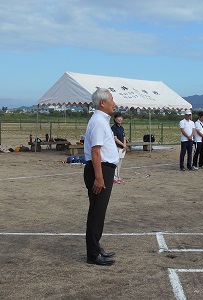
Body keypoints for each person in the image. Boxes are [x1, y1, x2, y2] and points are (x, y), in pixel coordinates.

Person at [83, 88, 119, 266]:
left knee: (99, 210)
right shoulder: (98, 121)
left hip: (104, 168)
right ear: (102, 103)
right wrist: (99, 177)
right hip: (100, 169)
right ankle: (92, 254)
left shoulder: (101, 120)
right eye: (112, 100)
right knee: (97, 211)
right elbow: (95, 152)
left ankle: (96, 247)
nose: (114, 103)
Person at [111, 112, 127, 183]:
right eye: (118, 118)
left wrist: (124, 145)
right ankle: (114, 177)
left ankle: (117, 176)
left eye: (121, 117)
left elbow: (124, 137)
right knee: (116, 163)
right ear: (115, 119)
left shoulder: (122, 128)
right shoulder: (113, 128)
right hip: (116, 147)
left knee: (120, 163)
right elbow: (115, 138)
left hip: (122, 148)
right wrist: (122, 145)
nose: (120, 119)